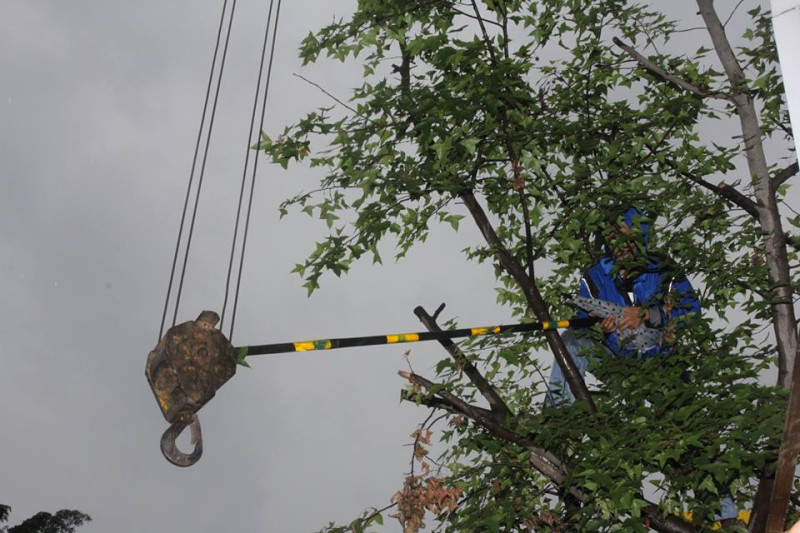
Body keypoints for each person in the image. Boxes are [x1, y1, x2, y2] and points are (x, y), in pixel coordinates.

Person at [546, 207, 738, 523]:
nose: (618, 241)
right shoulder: (593, 277)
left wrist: (649, 315)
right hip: (616, 364)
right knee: (571, 341)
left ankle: (727, 516)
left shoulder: (665, 270)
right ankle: (555, 428)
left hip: (663, 368)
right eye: (611, 234)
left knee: (689, 438)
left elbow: (691, 312)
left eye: (624, 233)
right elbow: (583, 322)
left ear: (639, 234)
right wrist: (599, 326)